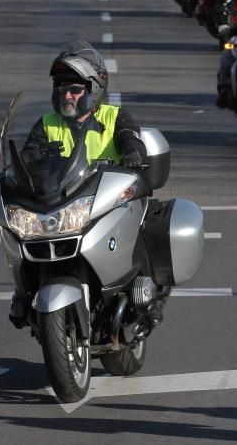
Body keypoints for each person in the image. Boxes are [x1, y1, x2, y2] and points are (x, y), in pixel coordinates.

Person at [9, 40, 147, 328]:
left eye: (74, 89)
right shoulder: (46, 124)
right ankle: (24, 292)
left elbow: (130, 138)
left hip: (108, 201)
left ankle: (144, 295)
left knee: (146, 228)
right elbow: (25, 159)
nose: (67, 96)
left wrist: (133, 152)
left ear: (93, 90)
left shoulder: (115, 117)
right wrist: (12, 174)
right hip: (63, 205)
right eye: (61, 88)